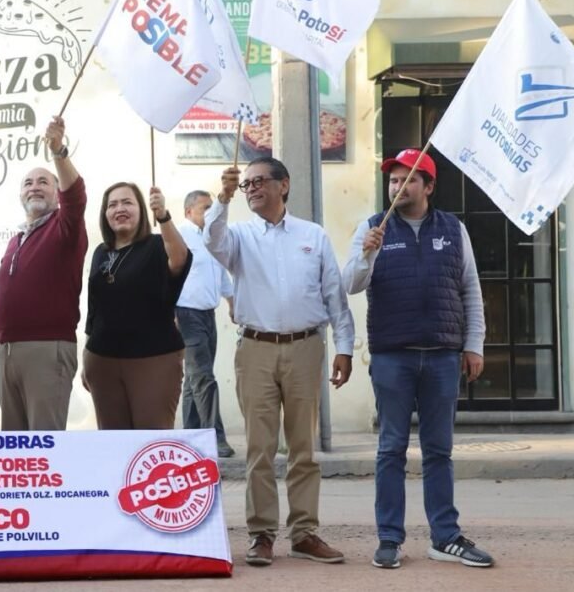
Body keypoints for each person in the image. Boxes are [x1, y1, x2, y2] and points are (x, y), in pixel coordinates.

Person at [342, 149, 492, 569]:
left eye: (408, 179)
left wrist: (474, 344)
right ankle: (389, 538)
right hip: (393, 357)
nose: (398, 186)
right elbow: (350, 284)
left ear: (428, 187)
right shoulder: (372, 227)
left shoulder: (453, 229)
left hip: (443, 357)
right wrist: (366, 253)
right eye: (393, 180)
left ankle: (445, 537)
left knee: (439, 450)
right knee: (391, 449)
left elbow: (470, 288)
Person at [205, 157, 354, 567]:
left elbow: (334, 296)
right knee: (260, 449)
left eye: (259, 181)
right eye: (247, 183)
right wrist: (223, 198)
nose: (251, 188)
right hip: (256, 349)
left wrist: (344, 347)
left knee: (303, 448)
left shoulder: (313, 235)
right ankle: (262, 534)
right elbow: (212, 241)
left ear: (283, 185)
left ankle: (304, 533)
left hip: (306, 347)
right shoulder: (238, 236)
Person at [0, 115, 87, 430]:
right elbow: (2, 302)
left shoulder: (65, 227)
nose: (34, 187)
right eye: (28, 183)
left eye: (43, 182)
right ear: (20, 195)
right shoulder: (15, 241)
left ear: (57, 192)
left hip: (47, 350)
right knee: (15, 449)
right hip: (7, 352)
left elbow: (76, 195)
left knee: (45, 447)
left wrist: (58, 152)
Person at [83, 183, 191, 430]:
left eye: (127, 202)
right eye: (112, 205)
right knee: (112, 440)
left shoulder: (157, 245)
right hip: (102, 361)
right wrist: (87, 354)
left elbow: (179, 259)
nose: (119, 209)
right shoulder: (101, 252)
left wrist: (163, 216)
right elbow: (94, 309)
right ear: (105, 213)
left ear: (141, 209)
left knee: (150, 438)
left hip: (153, 359)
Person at [176, 189, 236, 457]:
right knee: (204, 378)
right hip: (185, 315)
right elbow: (165, 275)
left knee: (194, 380)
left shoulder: (212, 237)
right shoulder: (178, 236)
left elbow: (221, 273)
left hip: (208, 315)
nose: (211, 213)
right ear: (189, 211)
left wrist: (232, 302)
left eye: (213, 208)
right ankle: (216, 438)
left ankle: (191, 435)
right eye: (205, 208)